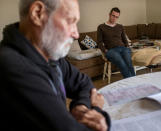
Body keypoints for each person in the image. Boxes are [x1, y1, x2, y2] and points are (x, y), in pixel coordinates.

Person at [0, 0, 110, 130]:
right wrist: (96, 109)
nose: (76, 34)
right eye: (70, 21)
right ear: (37, 13)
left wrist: (81, 107)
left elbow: (85, 83)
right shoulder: (12, 67)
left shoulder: (48, 54)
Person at [97, 7, 135, 78]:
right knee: (121, 62)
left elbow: (124, 39)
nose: (114, 18)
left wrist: (127, 47)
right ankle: (132, 81)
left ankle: (133, 81)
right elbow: (99, 42)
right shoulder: (101, 27)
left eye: (117, 17)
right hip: (111, 50)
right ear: (109, 15)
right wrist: (105, 50)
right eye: (113, 16)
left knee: (129, 63)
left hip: (123, 48)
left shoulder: (120, 26)